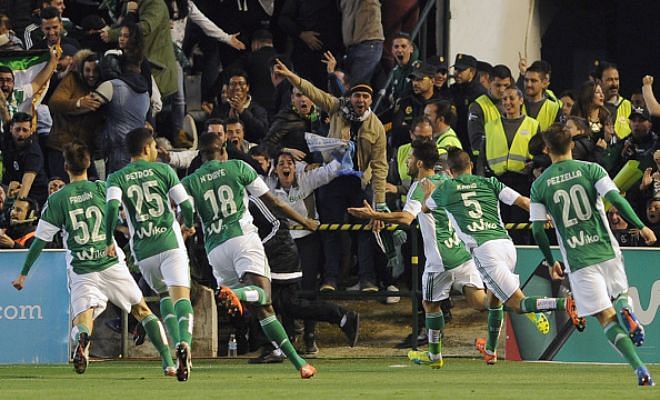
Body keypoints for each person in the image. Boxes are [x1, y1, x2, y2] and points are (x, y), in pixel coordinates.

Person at [11, 142, 177, 377]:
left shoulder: (58, 199)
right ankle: (168, 362)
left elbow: (40, 241)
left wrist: (23, 273)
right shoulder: (103, 188)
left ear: (66, 166)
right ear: (88, 164)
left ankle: (83, 340)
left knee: (83, 316)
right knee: (141, 310)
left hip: (82, 268)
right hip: (110, 262)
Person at [180, 132, 319, 379]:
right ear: (222, 149)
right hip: (242, 238)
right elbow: (274, 202)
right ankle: (237, 293)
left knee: (263, 308)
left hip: (215, 249)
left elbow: (186, 214)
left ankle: (300, 364)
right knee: (263, 295)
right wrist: (304, 220)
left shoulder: (191, 181)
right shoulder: (238, 167)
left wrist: (190, 224)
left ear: (200, 155)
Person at [426, 147, 582, 365]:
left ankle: (562, 304)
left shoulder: (446, 188)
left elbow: (426, 208)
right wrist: (546, 216)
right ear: (470, 165)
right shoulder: (490, 182)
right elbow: (523, 202)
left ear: (450, 171)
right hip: (506, 246)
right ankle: (490, 349)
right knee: (493, 299)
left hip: (484, 250)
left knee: (518, 304)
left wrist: (433, 189)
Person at [530, 124, 657, 386]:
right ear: (572, 145)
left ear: (547, 149)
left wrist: (551, 259)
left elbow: (537, 230)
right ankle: (626, 310)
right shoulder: (592, 169)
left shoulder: (539, 185)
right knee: (620, 295)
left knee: (604, 318)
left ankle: (639, 368)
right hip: (606, 249)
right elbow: (617, 200)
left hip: (578, 260)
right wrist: (641, 225)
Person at [348, 140, 489, 368]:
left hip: (440, 258)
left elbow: (406, 218)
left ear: (420, 163)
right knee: (481, 302)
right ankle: (527, 304)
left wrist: (374, 214)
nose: (407, 161)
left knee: (429, 304)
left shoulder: (420, 185)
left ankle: (434, 356)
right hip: (462, 253)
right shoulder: (446, 179)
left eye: (411, 158)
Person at [272, 58, 387, 292]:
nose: (360, 101)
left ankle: (367, 280)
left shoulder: (377, 127)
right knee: (331, 231)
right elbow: (311, 92)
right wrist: (291, 76)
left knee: (365, 231)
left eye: (365, 97)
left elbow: (380, 165)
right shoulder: (336, 107)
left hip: (359, 183)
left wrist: (380, 204)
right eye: (357, 96)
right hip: (332, 180)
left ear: (371, 101)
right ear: (350, 97)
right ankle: (330, 279)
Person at [104, 128, 196, 382]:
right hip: (169, 243)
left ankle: (175, 345)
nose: (156, 150)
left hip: (144, 251)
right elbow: (186, 204)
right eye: (154, 145)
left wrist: (106, 236)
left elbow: (112, 207)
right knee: (181, 295)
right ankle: (184, 343)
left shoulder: (116, 177)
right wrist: (187, 223)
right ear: (146, 148)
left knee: (164, 294)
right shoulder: (164, 170)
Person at [2, 112, 49, 205]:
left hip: (35, 196)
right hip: (13, 188)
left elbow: (26, 185)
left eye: (25, 130)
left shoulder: (33, 152)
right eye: (17, 129)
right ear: (11, 129)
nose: (21, 134)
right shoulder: (8, 141)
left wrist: (14, 208)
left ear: (31, 130)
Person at [467, 64, 512, 160]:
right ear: (489, 83)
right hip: (486, 164)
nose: (502, 90)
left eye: (506, 85)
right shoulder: (478, 106)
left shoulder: (517, 104)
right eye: (498, 85)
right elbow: (476, 142)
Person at [522, 61, 561, 132]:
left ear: (544, 83)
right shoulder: (518, 105)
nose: (528, 84)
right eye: (526, 80)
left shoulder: (554, 108)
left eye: (533, 81)